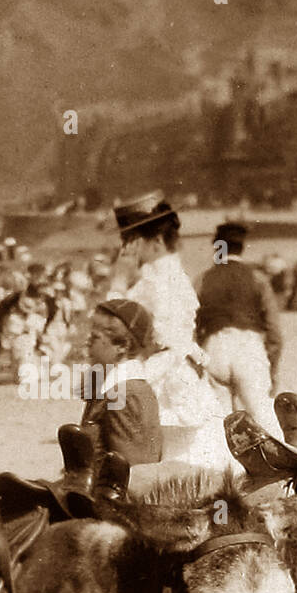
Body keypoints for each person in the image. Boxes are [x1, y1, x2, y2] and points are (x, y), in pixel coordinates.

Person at [111, 193, 228, 469]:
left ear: (157, 241)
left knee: (176, 461)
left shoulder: (159, 281)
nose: (125, 251)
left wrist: (117, 281)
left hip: (166, 377)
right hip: (172, 371)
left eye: (131, 241)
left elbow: (163, 339)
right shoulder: (161, 276)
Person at [195, 220, 285, 440]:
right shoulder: (258, 278)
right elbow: (275, 332)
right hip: (248, 349)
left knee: (219, 427)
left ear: (218, 248)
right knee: (264, 422)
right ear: (242, 247)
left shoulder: (203, 279)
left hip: (214, 349)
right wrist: (272, 370)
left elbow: (192, 324)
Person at [80, 299, 163, 468]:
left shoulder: (126, 394)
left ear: (122, 346)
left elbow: (133, 472)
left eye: (95, 337)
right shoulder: (113, 388)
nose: (87, 343)